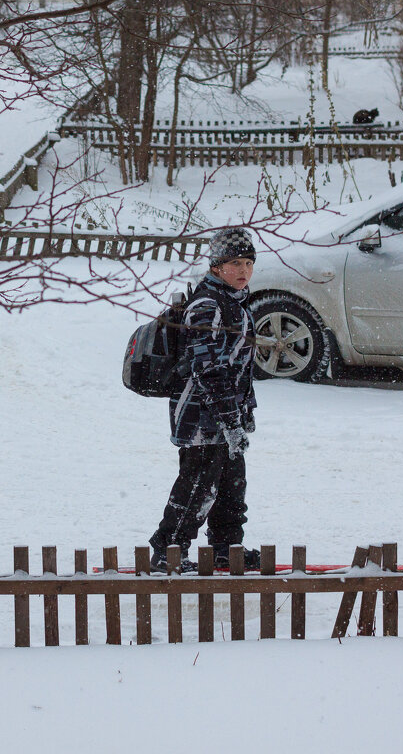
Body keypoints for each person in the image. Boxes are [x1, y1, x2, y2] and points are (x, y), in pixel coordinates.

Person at [149, 227, 261, 573]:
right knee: (198, 486)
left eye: (248, 262)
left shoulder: (235, 301)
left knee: (231, 483)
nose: (242, 270)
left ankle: (227, 548)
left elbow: (240, 366)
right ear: (215, 267)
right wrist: (229, 418)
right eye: (233, 263)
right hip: (200, 414)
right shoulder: (207, 305)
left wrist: (243, 413)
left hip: (226, 412)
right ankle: (168, 550)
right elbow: (207, 369)